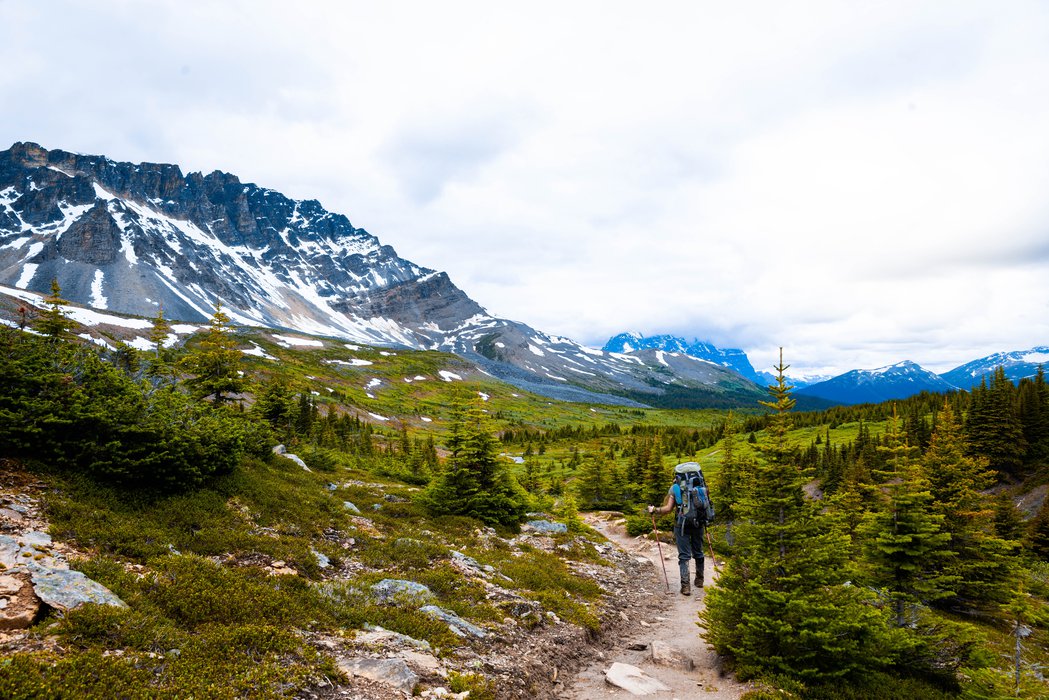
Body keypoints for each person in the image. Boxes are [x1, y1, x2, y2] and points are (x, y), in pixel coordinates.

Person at [648, 462, 711, 596]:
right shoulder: (702, 486)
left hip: (681, 524)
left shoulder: (675, 487)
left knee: (684, 555)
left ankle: (685, 586)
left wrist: (654, 510)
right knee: (698, 551)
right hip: (698, 523)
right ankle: (699, 580)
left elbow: (668, 509)